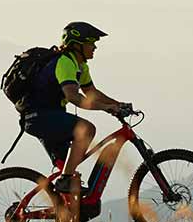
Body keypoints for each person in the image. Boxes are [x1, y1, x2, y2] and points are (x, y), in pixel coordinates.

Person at [21, 22, 133, 203]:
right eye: (91, 42)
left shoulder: (81, 65)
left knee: (72, 172)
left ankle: (69, 217)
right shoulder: (65, 62)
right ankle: (65, 180)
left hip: (49, 117)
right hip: (40, 117)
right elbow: (73, 96)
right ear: (77, 44)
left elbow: (92, 93)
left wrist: (117, 105)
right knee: (86, 130)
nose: (95, 47)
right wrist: (105, 108)